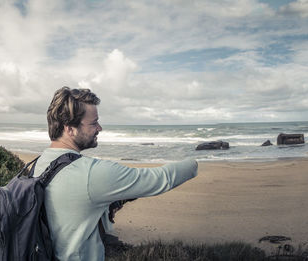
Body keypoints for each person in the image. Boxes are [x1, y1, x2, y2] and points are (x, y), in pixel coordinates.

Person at [35, 86, 198, 260]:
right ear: (70, 129)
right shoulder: (91, 173)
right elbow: (159, 179)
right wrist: (194, 163)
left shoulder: (36, 165)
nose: (100, 128)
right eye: (93, 123)